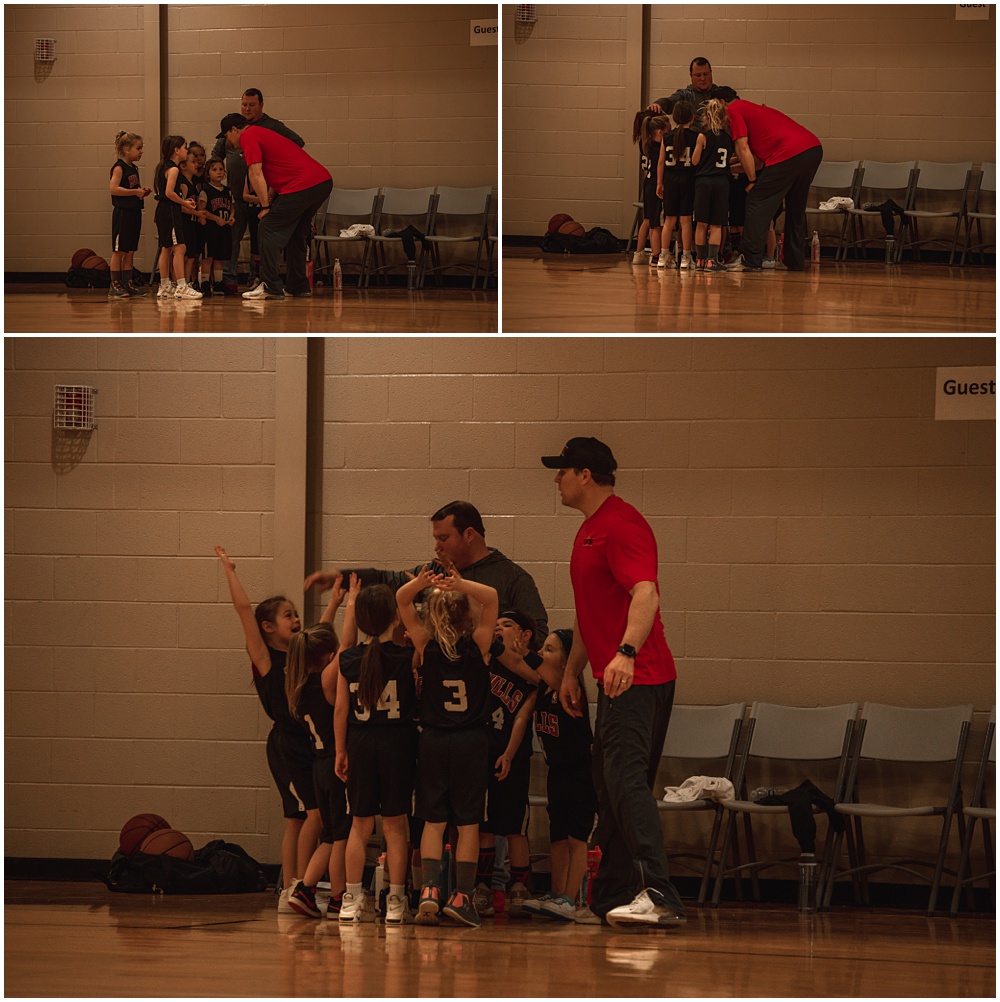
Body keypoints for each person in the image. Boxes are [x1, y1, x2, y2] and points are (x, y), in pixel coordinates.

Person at [539, 437, 685, 929]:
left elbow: (646, 592)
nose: (555, 479)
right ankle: (612, 896)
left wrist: (625, 652)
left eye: (562, 471)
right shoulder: (587, 532)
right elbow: (589, 612)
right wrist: (573, 670)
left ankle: (658, 893)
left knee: (625, 784)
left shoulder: (622, 525)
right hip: (614, 678)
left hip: (639, 677)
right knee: (610, 785)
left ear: (585, 474)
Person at [215, 546, 322, 912]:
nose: (296, 620)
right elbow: (243, 611)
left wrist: (338, 602)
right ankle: (296, 887)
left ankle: (293, 888)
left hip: (309, 740)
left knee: (299, 818)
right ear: (267, 627)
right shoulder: (264, 658)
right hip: (286, 743)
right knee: (309, 816)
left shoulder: (303, 653)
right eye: (288, 615)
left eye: (296, 615)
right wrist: (230, 570)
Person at [396, 564, 498, 929]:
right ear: (467, 615)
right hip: (472, 741)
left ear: (434, 615)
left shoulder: (425, 645)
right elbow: (492, 598)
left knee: (434, 822)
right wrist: (461, 583)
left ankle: (429, 893)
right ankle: (462, 897)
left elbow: (401, 599)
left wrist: (423, 584)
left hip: (434, 741)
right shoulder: (480, 645)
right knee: (468, 824)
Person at [304, 500, 548, 641]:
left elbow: (537, 635)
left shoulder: (514, 578)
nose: (436, 546)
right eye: (435, 538)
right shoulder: (435, 570)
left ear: (469, 535)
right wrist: (340, 576)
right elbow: (386, 579)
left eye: (443, 538)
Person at [334, 582, 419, 925]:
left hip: (361, 743)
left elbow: (341, 710)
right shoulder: (408, 656)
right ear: (396, 616)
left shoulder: (348, 659)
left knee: (359, 825)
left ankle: (351, 899)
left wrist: (341, 750)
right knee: (396, 827)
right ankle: (396, 901)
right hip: (398, 744)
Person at [215, 113, 331, 301]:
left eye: (226, 136)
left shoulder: (248, 136)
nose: (227, 141)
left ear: (234, 130)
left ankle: (271, 286)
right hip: (321, 182)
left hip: (301, 185)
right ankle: (297, 285)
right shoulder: (261, 133)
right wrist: (269, 197)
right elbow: (274, 173)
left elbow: (255, 172)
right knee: (296, 233)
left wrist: (265, 206)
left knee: (267, 226)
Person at [524, 628, 597, 923]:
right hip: (556, 772)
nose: (542, 653)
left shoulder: (571, 690)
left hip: (582, 773)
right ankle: (556, 894)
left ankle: (570, 898)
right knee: (556, 836)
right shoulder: (542, 688)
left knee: (575, 838)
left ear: (567, 663)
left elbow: (544, 670)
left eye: (550, 649)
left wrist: (525, 652)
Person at [284, 617, 351, 921]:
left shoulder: (298, 687)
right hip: (336, 767)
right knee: (341, 837)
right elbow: (347, 647)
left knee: (330, 835)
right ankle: (338, 897)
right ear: (328, 657)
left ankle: (304, 889)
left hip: (318, 767)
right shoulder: (326, 681)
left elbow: (324, 644)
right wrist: (351, 603)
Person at [473, 610, 538, 921]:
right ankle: (483, 887)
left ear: (524, 634)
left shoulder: (533, 667)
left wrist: (510, 755)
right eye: (495, 624)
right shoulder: (485, 659)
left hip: (514, 754)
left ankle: (520, 888)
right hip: (482, 751)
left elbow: (523, 716)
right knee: (485, 825)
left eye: (507, 624)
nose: (498, 627)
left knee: (514, 827)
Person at [210, 90, 306, 294]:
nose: (247, 108)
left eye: (252, 105)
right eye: (244, 104)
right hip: (234, 196)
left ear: (262, 105)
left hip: (263, 196)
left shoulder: (271, 126)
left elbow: (297, 142)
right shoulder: (232, 127)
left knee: (260, 239)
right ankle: (228, 280)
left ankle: (259, 279)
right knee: (231, 239)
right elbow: (216, 155)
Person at [722, 97, 823, 273]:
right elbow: (758, 163)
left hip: (790, 152)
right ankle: (794, 261)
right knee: (795, 208)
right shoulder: (756, 112)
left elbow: (742, 147)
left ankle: (750, 259)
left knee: (756, 199)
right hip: (812, 149)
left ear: (723, 104)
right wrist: (726, 169)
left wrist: (753, 181)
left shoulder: (732, 110)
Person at [153, 136, 201, 300]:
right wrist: (185, 203)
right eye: (185, 147)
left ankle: (165, 285)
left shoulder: (163, 166)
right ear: (176, 150)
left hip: (163, 210)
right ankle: (181, 285)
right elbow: (169, 193)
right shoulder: (173, 169)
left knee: (166, 248)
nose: (186, 151)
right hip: (170, 210)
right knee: (180, 248)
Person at [691, 98, 735, 271]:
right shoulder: (728, 138)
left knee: (701, 223)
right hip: (722, 182)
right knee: (717, 224)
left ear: (705, 118)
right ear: (724, 118)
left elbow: (695, 161)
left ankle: (700, 260)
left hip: (703, 182)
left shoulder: (702, 137)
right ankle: (712, 260)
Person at [108, 130, 151, 299]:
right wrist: (134, 192)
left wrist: (141, 192)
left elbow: (131, 190)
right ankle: (114, 284)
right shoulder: (119, 167)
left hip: (134, 212)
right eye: (138, 148)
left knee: (131, 250)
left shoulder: (134, 168)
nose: (141, 152)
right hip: (122, 213)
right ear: (127, 149)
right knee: (120, 250)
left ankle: (127, 282)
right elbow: (113, 189)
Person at [656, 100, 698, 270]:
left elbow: (660, 162)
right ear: (693, 118)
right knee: (686, 221)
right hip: (688, 180)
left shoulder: (666, 137)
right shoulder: (696, 137)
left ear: (673, 118)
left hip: (670, 180)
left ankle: (663, 256)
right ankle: (686, 257)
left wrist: (659, 182)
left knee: (669, 220)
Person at [197, 157, 236, 296]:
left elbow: (232, 207)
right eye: (215, 170)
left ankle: (219, 284)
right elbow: (202, 210)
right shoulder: (205, 191)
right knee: (209, 257)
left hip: (224, 228)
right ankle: (205, 283)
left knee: (220, 258)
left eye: (221, 169)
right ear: (208, 173)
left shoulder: (227, 191)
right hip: (210, 229)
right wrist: (215, 218)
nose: (218, 172)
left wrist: (232, 216)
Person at [637, 115, 670, 269]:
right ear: (660, 133)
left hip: (648, 184)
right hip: (656, 185)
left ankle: (651, 255)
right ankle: (657, 256)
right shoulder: (658, 148)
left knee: (651, 222)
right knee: (656, 224)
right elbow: (661, 166)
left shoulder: (647, 143)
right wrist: (661, 184)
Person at [648, 57, 723, 122]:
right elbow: (669, 102)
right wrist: (658, 104)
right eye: (698, 75)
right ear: (691, 76)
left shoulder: (721, 94)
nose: (703, 78)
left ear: (711, 73)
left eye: (706, 74)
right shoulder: (685, 95)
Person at [629, 109, 656, 264]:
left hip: (648, 181)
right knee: (653, 222)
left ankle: (639, 253)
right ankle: (654, 253)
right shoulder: (654, 143)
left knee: (647, 220)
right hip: (654, 182)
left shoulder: (643, 141)